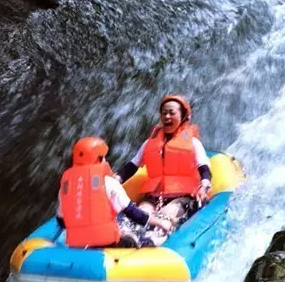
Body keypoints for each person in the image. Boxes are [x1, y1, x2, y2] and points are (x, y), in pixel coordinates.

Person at [115, 95, 212, 244]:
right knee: (141, 213)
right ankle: (129, 238)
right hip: (154, 197)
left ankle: (153, 240)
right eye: (163, 113)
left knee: (166, 214)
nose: (167, 116)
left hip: (181, 198)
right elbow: (132, 166)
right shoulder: (150, 142)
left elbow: (203, 166)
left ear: (183, 116)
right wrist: (116, 180)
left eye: (172, 113)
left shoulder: (192, 142)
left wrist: (204, 184)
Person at [57, 136, 172, 248]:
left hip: (78, 240)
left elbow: (61, 220)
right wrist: (160, 222)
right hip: (104, 239)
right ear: (98, 159)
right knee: (126, 225)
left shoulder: (66, 185)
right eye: (104, 157)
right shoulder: (109, 183)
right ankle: (131, 241)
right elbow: (133, 212)